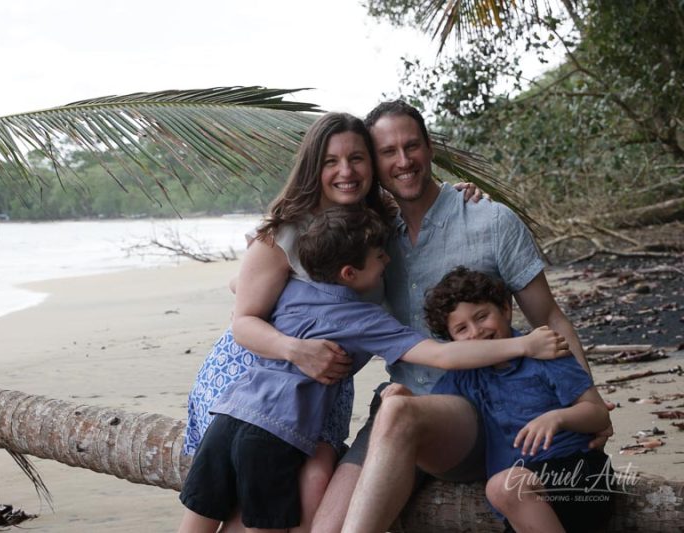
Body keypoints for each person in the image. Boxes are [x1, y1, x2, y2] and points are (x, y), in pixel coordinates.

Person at [232, 100, 612, 531]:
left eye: (412, 146)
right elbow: (274, 276)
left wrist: (589, 399)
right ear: (375, 164)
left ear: (430, 148)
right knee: (328, 521)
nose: (404, 161)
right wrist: (291, 345)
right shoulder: (371, 237)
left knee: (397, 411)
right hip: (400, 410)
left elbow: (550, 318)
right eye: (388, 152)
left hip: (482, 415)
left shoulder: (490, 221)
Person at [178, 208, 570, 533]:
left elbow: (238, 283)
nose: (387, 260)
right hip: (275, 433)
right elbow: (442, 356)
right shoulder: (363, 318)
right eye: (380, 256)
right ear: (350, 274)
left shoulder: (292, 288)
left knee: (201, 517)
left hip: (227, 416)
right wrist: (524, 343)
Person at [184, 110, 480, 531]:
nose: (346, 171)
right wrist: (296, 350)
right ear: (313, 167)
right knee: (244, 496)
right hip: (256, 372)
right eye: (330, 161)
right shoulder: (284, 232)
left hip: (321, 387)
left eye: (357, 158)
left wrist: (460, 194)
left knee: (315, 479)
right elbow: (244, 319)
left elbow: (425, 201)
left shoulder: (376, 224)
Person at [424, 267, 613, 532]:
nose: (476, 332)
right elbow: (434, 417)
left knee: (503, 486)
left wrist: (557, 418)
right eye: (461, 329)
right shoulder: (462, 377)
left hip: (577, 474)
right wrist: (401, 398)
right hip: (521, 502)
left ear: (505, 308)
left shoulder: (546, 354)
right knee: (505, 488)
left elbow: (598, 413)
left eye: (482, 316)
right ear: (451, 339)